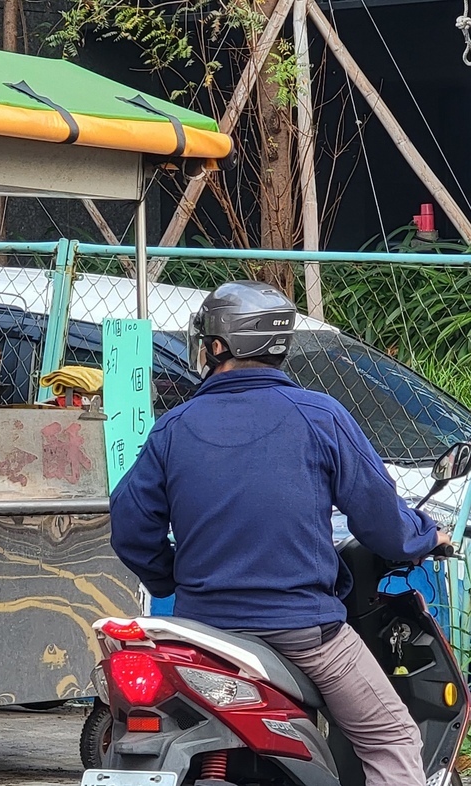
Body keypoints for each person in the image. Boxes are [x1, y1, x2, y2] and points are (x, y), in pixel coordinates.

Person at [109, 280, 448, 786]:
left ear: (217, 345)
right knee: (390, 735)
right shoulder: (320, 416)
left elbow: (131, 530)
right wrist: (428, 538)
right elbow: (383, 523)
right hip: (304, 635)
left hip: (205, 631)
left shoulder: (174, 427)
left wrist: (172, 578)